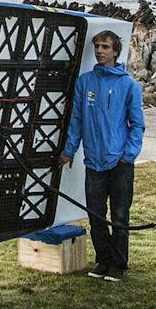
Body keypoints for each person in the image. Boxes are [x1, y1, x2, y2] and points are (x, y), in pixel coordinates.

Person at [60, 30, 146, 282]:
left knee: (119, 214)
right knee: (95, 213)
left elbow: (137, 125)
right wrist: (68, 150)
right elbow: (76, 119)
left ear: (116, 51)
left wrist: (128, 155)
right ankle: (103, 260)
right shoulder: (84, 82)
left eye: (105, 47)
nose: (99, 51)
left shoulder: (129, 85)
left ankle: (118, 264)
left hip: (119, 162)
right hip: (93, 162)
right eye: (97, 46)